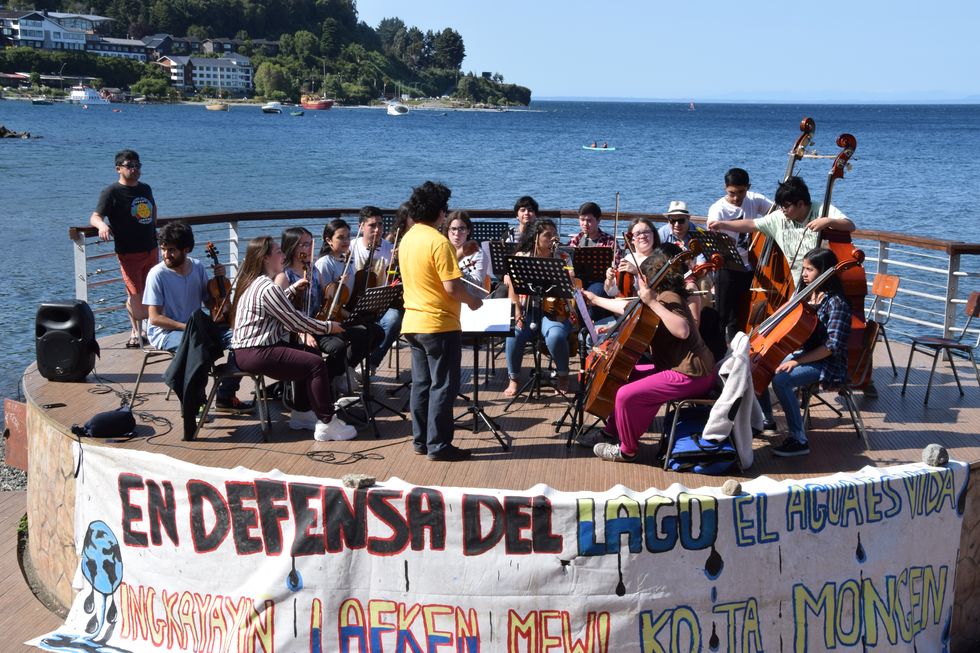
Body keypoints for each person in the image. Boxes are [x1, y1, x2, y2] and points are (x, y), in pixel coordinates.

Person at [581, 250, 717, 461]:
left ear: (646, 279)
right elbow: (628, 307)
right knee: (629, 375)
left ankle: (627, 450)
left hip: (692, 374)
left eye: (638, 278)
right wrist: (595, 299)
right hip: (678, 369)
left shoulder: (667, 298)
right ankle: (611, 432)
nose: (637, 282)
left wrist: (652, 302)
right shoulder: (661, 296)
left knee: (626, 394)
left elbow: (682, 330)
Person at [230, 236, 357, 441]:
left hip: (251, 349)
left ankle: (302, 412)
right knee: (316, 364)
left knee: (308, 351)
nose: (283, 255)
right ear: (265, 258)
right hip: (256, 351)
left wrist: (290, 290)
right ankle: (327, 422)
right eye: (279, 252)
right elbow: (295, 321)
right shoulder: (267, 287)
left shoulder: (259, 283)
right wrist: (328, 327)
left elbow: (276, 308)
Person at [399, 181, 482, 461]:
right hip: (439, 324)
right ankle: (439, 445)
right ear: (439, 211)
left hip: (412, 321)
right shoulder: (439, 242)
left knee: (421, 385)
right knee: (444, 386)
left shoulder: (408, 238)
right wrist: (472, 300)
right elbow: (452, 288)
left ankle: (420, 440)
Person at [142, 221, 249, 410]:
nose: (166, 255)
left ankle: (226, 395)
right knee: (197, 348)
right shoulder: (156, 274)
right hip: (166, 332)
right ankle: (196, 402)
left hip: (196, 328)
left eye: (172, 250)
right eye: (163, 249)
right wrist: (189, 328)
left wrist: (219, 283)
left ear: (187, 249)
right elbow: (155, 318)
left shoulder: (197, 268)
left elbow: (208, 302)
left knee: (242, 339)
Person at [763, 247, 852, 457]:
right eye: (803, 268)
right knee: (763, 364)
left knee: (781, 380)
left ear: (824, 273)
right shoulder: (805, 296)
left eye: (809, 270)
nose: (803, 274)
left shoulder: (836, 303)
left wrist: (797, 361)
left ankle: (798, 439)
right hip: (805, 354)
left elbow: (832, 347)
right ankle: (766, 419)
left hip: (828, 363)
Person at [708, 175, 854, 284]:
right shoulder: (779, 217)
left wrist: (828, 221)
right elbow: (752, 224)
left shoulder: (822, 209)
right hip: (798, 282)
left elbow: (849, 225)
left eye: (786, 206)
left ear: (801, 204)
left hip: (824, 279)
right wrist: (722, 224)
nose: (782, 210)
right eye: (781, 205)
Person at [89, 149, 158, 348]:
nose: (135, 169)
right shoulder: (111, 192)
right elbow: (95, 216)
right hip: (129, 252)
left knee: (150, 291)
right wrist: (102, 226)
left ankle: (144, 330)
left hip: (151, 249)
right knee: (134, 295)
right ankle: (136, 331)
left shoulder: (145, 189)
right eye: (130, 166)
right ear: (118, 169)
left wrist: (154, 229)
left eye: (137, 165)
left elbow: (153, 209)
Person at [504, 218, 574, 396]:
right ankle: (514, 378)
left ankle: (563, 375)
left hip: (554, 310)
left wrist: (567, 274)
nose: (553, 238)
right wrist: (518, 312)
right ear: (536, 237)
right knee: (513, 333)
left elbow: (571, 287)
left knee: (556, 335)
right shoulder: (521, 258)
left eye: (554, 234)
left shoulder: (563, 257)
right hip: (527, 308)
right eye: (547, 235)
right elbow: (512, 288)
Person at [707, 168, 774, 341]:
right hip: (727, 266)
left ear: (748, 188)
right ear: (725, 188)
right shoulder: (718, 209)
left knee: (743, 313)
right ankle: (718, 351)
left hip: (750, 265)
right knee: (723, 314)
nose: (736, 198)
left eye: (741, 192)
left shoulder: (754, 199)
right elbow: (712, 241)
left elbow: (777, 214)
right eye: (732, 193)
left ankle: (743, 347)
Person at [312, 220, 384, 380]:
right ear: (328, 240)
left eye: (347, 237)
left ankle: (343, 369)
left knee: (377, 333)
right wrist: (338, 285)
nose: (346, 241)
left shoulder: (347, 261)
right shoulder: (324, 263)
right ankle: (331, 374)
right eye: (340, 237)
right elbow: (324, 301)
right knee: (363, 334)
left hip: (343, 313)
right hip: (328, 319)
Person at [349, 206, 403, 373]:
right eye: (372, 225)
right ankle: (349, 365)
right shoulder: (351, 248)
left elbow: (395, 282)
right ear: (361, 227)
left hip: (381, 305)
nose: (378, 229)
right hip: (353, 304)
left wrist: (398, 264)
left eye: (380, 224)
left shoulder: (390, 249)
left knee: (394, 319)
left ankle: (371, 363)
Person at [603, 217, 660, 298]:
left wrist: (637, 271)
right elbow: (611, 292)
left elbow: (659, 288)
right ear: (632, 239)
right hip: (626, 305)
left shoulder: (660, 258)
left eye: (646, 232)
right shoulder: (628, 258)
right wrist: (609, 280)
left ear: (654, 234)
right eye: (637, 234)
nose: (642, 236)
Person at [443, 210, 488, 297]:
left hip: (471, 300)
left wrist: (457, 273)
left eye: (462, 229)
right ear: (447, 230)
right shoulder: (442, 250)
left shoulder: (477, 253)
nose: (457, 233)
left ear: (468, 231)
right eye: (453, 229)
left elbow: (475, 285)